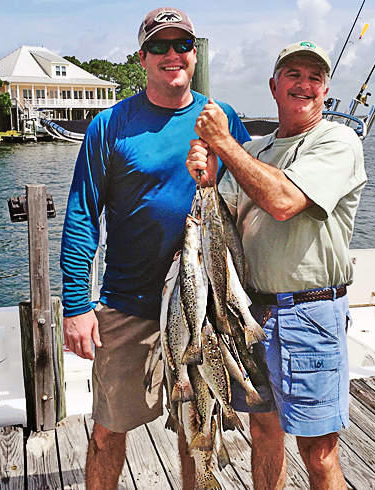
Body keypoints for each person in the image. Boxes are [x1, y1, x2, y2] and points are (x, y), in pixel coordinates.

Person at [60, 7, 250, 490]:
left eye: (182, 45)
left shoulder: (220, 118)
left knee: (198, 431)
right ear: (142, 56)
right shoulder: (109, 125)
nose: (172, 55)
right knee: (108, 433)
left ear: (194, 53)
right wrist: (77, 304)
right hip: (128, 307)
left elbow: (251, 201)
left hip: (205, 310)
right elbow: (82, 215)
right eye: (160, 46)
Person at [186, 41, 366, 490]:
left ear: (325, 90)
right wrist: (207, 179)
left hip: (309, 313)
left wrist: (224, 142)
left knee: (318, 451)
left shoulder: (337, 140)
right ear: (273, 85)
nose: (304, 85)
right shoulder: (260, 150)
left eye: (314, 77)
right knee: (264, 431)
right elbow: (234, 221)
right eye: (293, 75)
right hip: (251, 314)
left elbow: (284, 202)